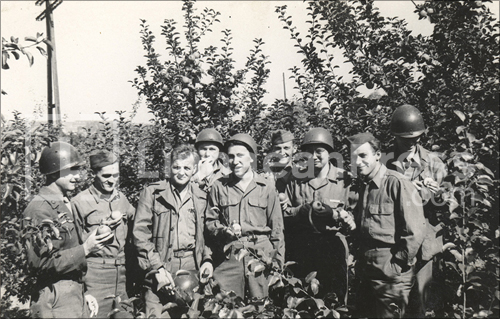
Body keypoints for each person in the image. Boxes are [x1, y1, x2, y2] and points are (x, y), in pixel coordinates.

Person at [22, 141, 113, 318]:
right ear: (54, 171)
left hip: (72, 294)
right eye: (71, 170)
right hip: (55, 299)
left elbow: (67, 250)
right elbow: (41, 263)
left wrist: (83, 293)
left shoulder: (63, 203)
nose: (77, 176)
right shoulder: (39, 209)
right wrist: (85, 249)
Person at [347, 132, 426, 318]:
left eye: (363, 155)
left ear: (377, 155)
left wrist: (397, 265)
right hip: (367, 269)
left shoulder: (397, 183)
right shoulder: (363, 185)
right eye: (353, 157)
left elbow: (415, 231)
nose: (358, 162)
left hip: (390, 270)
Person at [133, 144, 213, 318]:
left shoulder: (201, 197)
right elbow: (140, 235)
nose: (181, 172)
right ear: (169, 167)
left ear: (194, 170)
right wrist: (157, 269)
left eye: (186, 168)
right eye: (176, 167)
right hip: (160, 266)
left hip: (192, 267)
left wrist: (207, 260)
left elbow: (206, 236)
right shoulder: (153, 193)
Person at [205, 133, 285, 300]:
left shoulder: (266, 187)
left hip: (261, 256)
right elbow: (210, 222)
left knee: (262, 308)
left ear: (252, 158)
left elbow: (277, 230)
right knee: (226, 307)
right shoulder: (219, 187)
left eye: (240, 155)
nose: (235, 161)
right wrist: (223, 231)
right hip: (229, 257)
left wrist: (277, 266)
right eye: (231, 156)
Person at [387, 104, 448, 318]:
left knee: (419, 305)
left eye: (417, 138)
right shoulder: (384, 163)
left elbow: (447, 205)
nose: (413, 143)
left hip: (424, 246)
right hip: (395, 245)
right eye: (407, 138)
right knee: (394, 305)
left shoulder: (434, 163)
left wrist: (437, 195)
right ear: (395, 136)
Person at [282, 127, 354, 305]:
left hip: (333, 248)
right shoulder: (295, 179)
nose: (314, 156)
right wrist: (300, 211)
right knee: (302, 300)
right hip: (302, 247)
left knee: (334, 301)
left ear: (329, 153)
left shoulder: (345, 180)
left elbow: (356, 215)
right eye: (309, 152)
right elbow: (283, 214)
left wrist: (343, 217)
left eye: (319, 151)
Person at [71, 150, 136, 318]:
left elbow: (138, 223)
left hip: (121, 274)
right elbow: (73, 246)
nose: (112, 180)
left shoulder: (122, 199)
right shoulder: (79, 202)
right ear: (94, 174)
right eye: (106, 176)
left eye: (116, 175)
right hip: (94, 275)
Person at [192, 128, 231, 192]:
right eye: (203, 149)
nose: (207, 154)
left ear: (219, 151)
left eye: (212, 149)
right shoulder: (188, 170)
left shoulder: (227, 174)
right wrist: (200, 175)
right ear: (197, 151)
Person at [265, 129, 296, 194]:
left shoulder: (299, 173)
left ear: (294, 149)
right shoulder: (266, 175)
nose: (282, 152)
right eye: (278, 148)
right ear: (272, 150)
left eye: (286, 148)